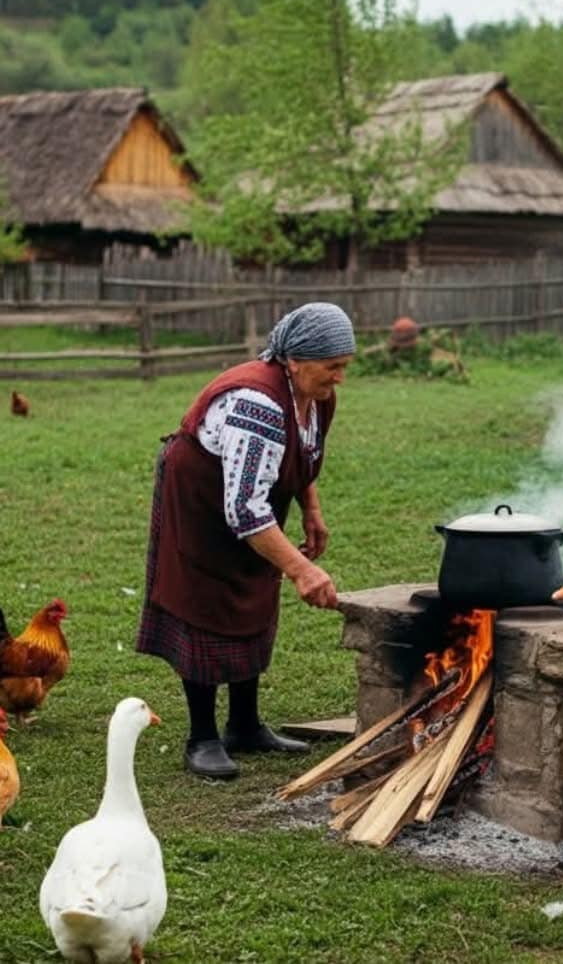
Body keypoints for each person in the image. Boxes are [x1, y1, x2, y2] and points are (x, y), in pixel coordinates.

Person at [135, 301, 355, 780]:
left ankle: (244, 725)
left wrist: (311, 510)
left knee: (253, 592)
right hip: (200, 503)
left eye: (345, 366)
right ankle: (202, 736)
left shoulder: (313, 395)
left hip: (252, 500)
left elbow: (300, 456)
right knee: (206, 604)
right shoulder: (255, 402)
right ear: (295, 360)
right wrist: (302, 568)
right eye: (332, 366)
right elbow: (245, 510)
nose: (340, 377)